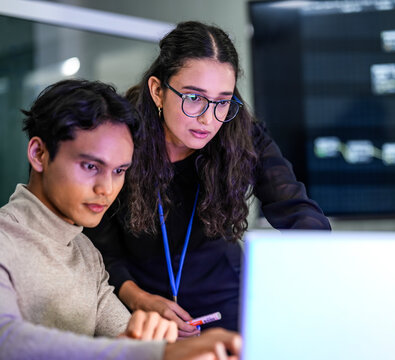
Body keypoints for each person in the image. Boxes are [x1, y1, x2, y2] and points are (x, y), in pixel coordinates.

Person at [83, 21, 331, 334]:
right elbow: (99, 247)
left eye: (222, 100)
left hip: (224, 302)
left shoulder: (241, 135)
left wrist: (310, 263)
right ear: (158, 91)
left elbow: (296, 209)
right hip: (138, 306)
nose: (208, 118)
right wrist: (141, 299)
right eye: (194, 97)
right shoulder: (120, 138)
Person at [0, 79, 241, 359]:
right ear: (39, 154)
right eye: (91, 166)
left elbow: (126, 341)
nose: (107, 189)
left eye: (119, 171)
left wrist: (154, 344)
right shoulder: (6, 240)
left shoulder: (86, 253)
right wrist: (149, 353)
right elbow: (7, 341)